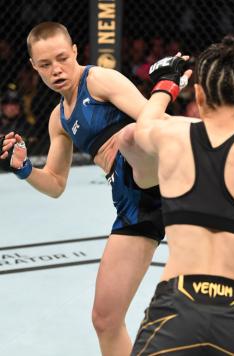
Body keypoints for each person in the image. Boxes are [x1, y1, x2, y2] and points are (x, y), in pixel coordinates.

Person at [0, 21, 167, 356]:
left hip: (158, 178)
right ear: (34, 66)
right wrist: (24, 169)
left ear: (75, 51)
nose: (56, 70)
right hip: (131, 204)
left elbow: (156, 125)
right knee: (105, 318)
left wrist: (166, 89)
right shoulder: (58, 119)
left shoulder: (99, 80)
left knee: (131, 135)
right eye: (45, 65)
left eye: (62, 58)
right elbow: (57, 184)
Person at [131, 37, 234, 355]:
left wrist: (166, 83)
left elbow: (144, 125)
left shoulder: (171, 137)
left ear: (198, 93)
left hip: (174, 309)